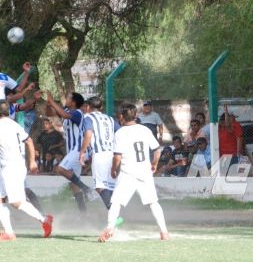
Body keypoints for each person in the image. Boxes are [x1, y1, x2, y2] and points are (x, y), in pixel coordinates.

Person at [0, 99, 53, 240]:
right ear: (8, 112)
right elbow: (29, 141)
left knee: (16, 202)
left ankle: (44, 220)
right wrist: (32, 161)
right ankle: (8, 232)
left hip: (11, 168)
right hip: (10, 166)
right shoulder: (15, 125)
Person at [98, 103, 169, 242]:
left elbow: (117, 156)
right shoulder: (145, 130)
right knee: (153, 203)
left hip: (127, 172)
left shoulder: (120, 133)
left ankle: (110, 228)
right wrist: (154, 164)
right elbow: (157, 150)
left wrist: (113, 169)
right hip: (144, 171)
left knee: (116, 203)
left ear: (121, 117)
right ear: (136, 115)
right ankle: (164, 232)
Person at [47, 91, 93, 212]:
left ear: (73, 102)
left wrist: (52, 101)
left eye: (67, 98)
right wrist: (48, 104)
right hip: (73, 151)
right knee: (74, 184)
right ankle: (84, 213)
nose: (65, 100)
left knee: (60, 169)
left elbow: (64, 115)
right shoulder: (67, 112)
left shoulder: (77, 113)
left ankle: (86, 188)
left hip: (78, 149)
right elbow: (50, 113)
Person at [80, 97, 121, 218]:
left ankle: (114, 215)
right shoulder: (110, 119)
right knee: (110, 186)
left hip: (100, 155)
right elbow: (119, 132)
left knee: (100, 186)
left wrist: (82, 152)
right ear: (101, 107)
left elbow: (88, 133)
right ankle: (115, 214)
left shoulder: (88, 117)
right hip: (113, 155)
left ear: (88, 107)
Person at [218, 105, 243, 170]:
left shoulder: (235, 125)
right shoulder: (219, 128)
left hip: (232, 155)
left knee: (232, 175)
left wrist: (238, 154)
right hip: (222, 156)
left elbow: (239, 139)